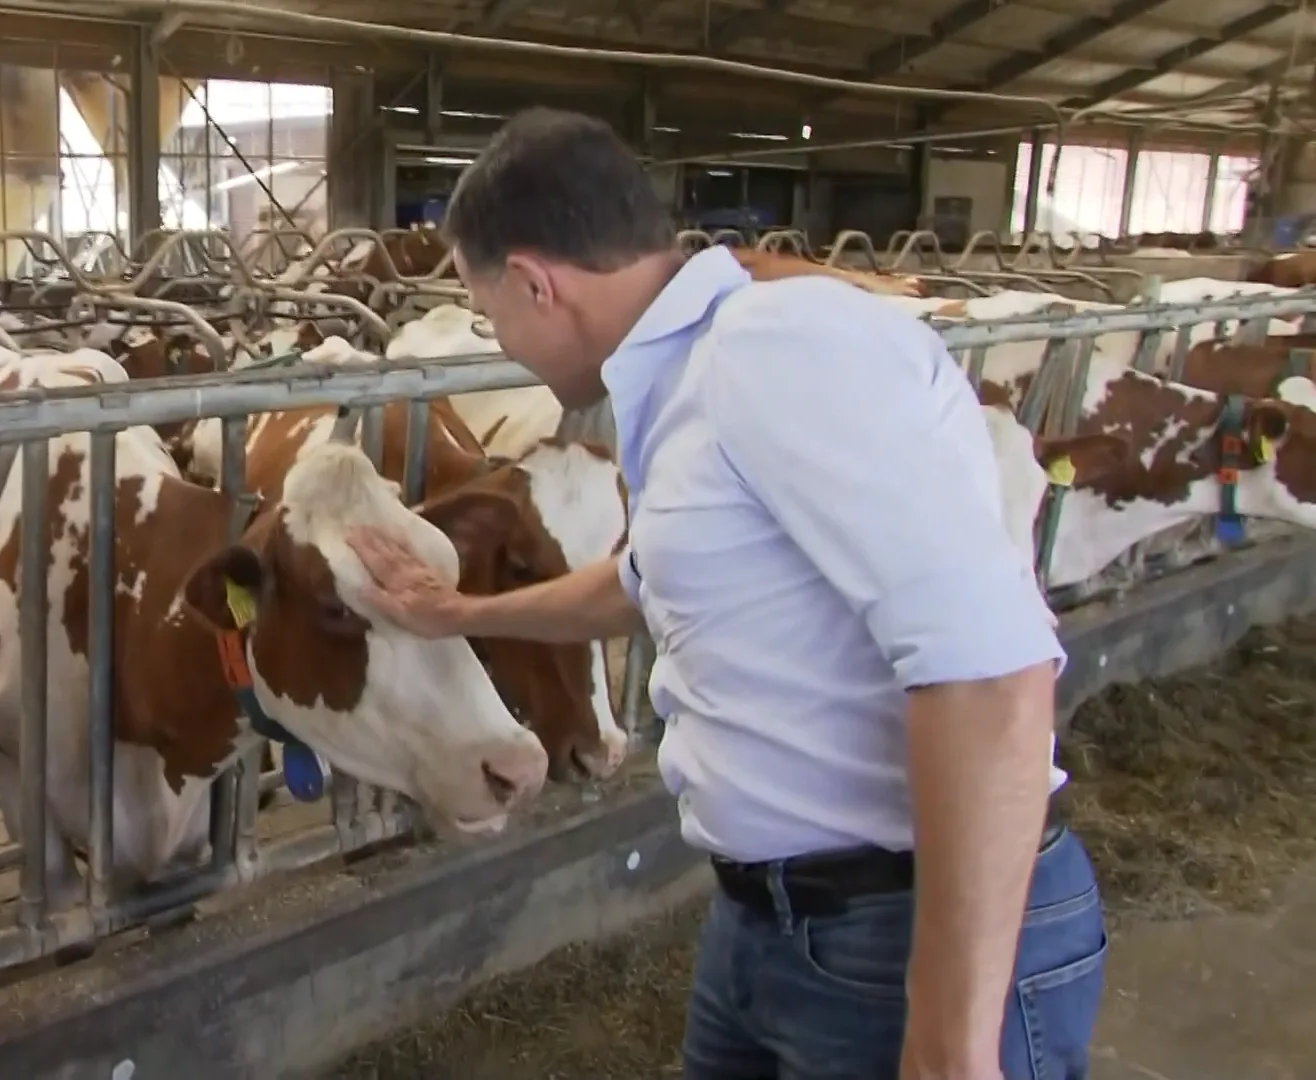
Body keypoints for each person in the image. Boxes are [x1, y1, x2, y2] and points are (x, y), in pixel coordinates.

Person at [348, 108, 1106, 1080]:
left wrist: (952, 1046)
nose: (502, 342)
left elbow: (992, 671)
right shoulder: (693, 374)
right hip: (775, 928)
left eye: (493, 314)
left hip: (907, 935)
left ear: (538, 284)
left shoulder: (777, 352)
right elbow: (650, 582)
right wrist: (462, 615)